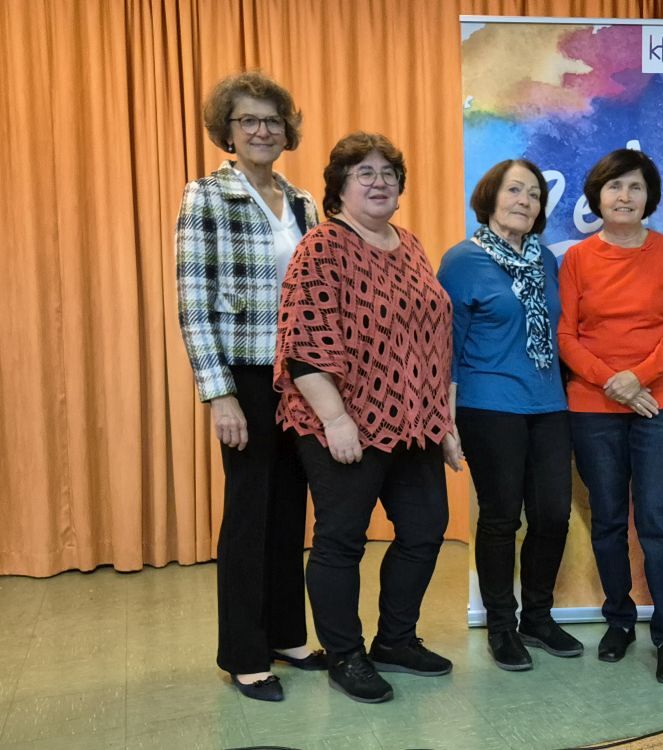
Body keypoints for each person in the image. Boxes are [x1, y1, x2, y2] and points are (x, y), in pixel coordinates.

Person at [274, 132, 462, 704]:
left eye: (388, 173)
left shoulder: (411, 245)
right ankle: (345, 655)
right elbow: (303, 343)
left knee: (425, 529)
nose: (379, 182)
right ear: (340, 188)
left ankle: (395, 641)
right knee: (341, 540)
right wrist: (336, 420)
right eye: (365, 173)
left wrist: (443, 421)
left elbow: (430, 342)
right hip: (342, 421)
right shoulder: (322, 246)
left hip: (412, 422)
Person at [175, 71, 324, 702]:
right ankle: (243, 653)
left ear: (287, 130)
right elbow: (193, 302)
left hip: (302, 377)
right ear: (228, 132)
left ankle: (287, 633)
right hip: (245, 374)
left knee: (291, 509)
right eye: (248, 120)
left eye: (272, 120)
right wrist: (221, 394)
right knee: (249, 513)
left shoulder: (303, 202)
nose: (263, 130)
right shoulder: (206, 196)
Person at [558, 149, 663, 683]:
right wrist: (612, 382)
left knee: (658, 520)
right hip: (594, 405)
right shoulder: (576, 259)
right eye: (614, 186)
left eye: (635, 187)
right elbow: (567, 334)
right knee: (609, 518)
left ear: (649, 197)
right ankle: (618, 620)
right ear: (597, 197)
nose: (624, 196)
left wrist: (638, 377)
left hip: (661, 402)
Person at [438, 159, 581, 672]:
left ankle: (537, 618)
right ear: (491, 197)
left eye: (534, 194)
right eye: (514, 190)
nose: (525, 200)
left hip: (549, 404)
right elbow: (446, 347)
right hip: (488, 405)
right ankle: (501, 624)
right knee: (501, 517)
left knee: (553, 515)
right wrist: (446, 421)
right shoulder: (463, 260)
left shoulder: (546, 260)